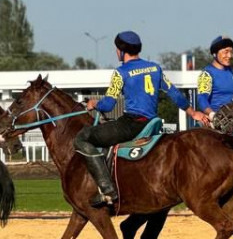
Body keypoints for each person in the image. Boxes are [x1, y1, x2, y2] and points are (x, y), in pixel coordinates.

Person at [75, 31, 209, 207]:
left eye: (117, 49)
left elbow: (108, 105)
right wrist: (193, 113)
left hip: (131, 124)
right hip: (151, 124)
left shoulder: (120, 72)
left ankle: (107, 189)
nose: (116, 53)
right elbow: (174, 94)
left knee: (82, 138)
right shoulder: (155, 68)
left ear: (122, 51)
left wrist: (94, 103)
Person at [196, 35, 233, 119]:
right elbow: (202, 99)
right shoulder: (206, 74)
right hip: (213, 121)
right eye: (226, 52)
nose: (230, 56)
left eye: (231, 52)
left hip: (232, 120)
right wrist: (212, 114)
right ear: (215, 53)